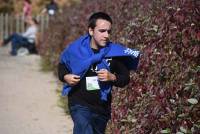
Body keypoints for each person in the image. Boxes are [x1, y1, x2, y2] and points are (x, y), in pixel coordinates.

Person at [58, 12, 140, 134]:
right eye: (102, 31)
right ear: (91, 31)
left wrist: (112, 77)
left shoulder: (114, 53)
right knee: (84, 128)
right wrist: (66, 76)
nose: (106, 35)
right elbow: (63, 66)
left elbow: (125, 79)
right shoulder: (76, 49)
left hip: (101, 108)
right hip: (79, 103)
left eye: (109, 31)